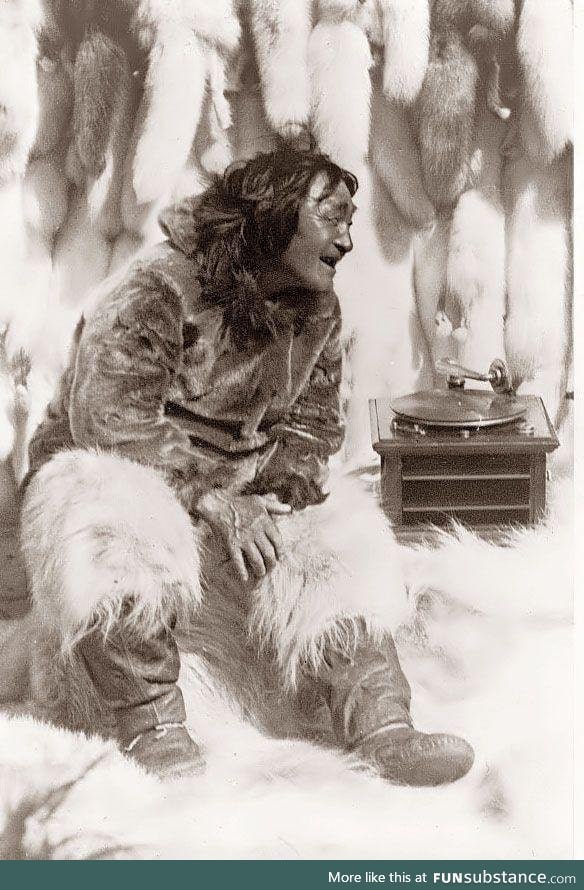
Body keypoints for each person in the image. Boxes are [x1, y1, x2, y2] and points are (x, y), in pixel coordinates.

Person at [21, 146, 474, 784]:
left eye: (351, 220)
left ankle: (382, 724)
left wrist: (279, 491)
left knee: (337, 529)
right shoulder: (157, 287)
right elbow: (109, 416)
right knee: (103, 513)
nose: (347, 240)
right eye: (332, 218)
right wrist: (209, 498)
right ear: (273, 218)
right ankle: (154, 726)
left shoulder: (318, 310)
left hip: (239, 488)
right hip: (126, 465)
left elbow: (313, 425)